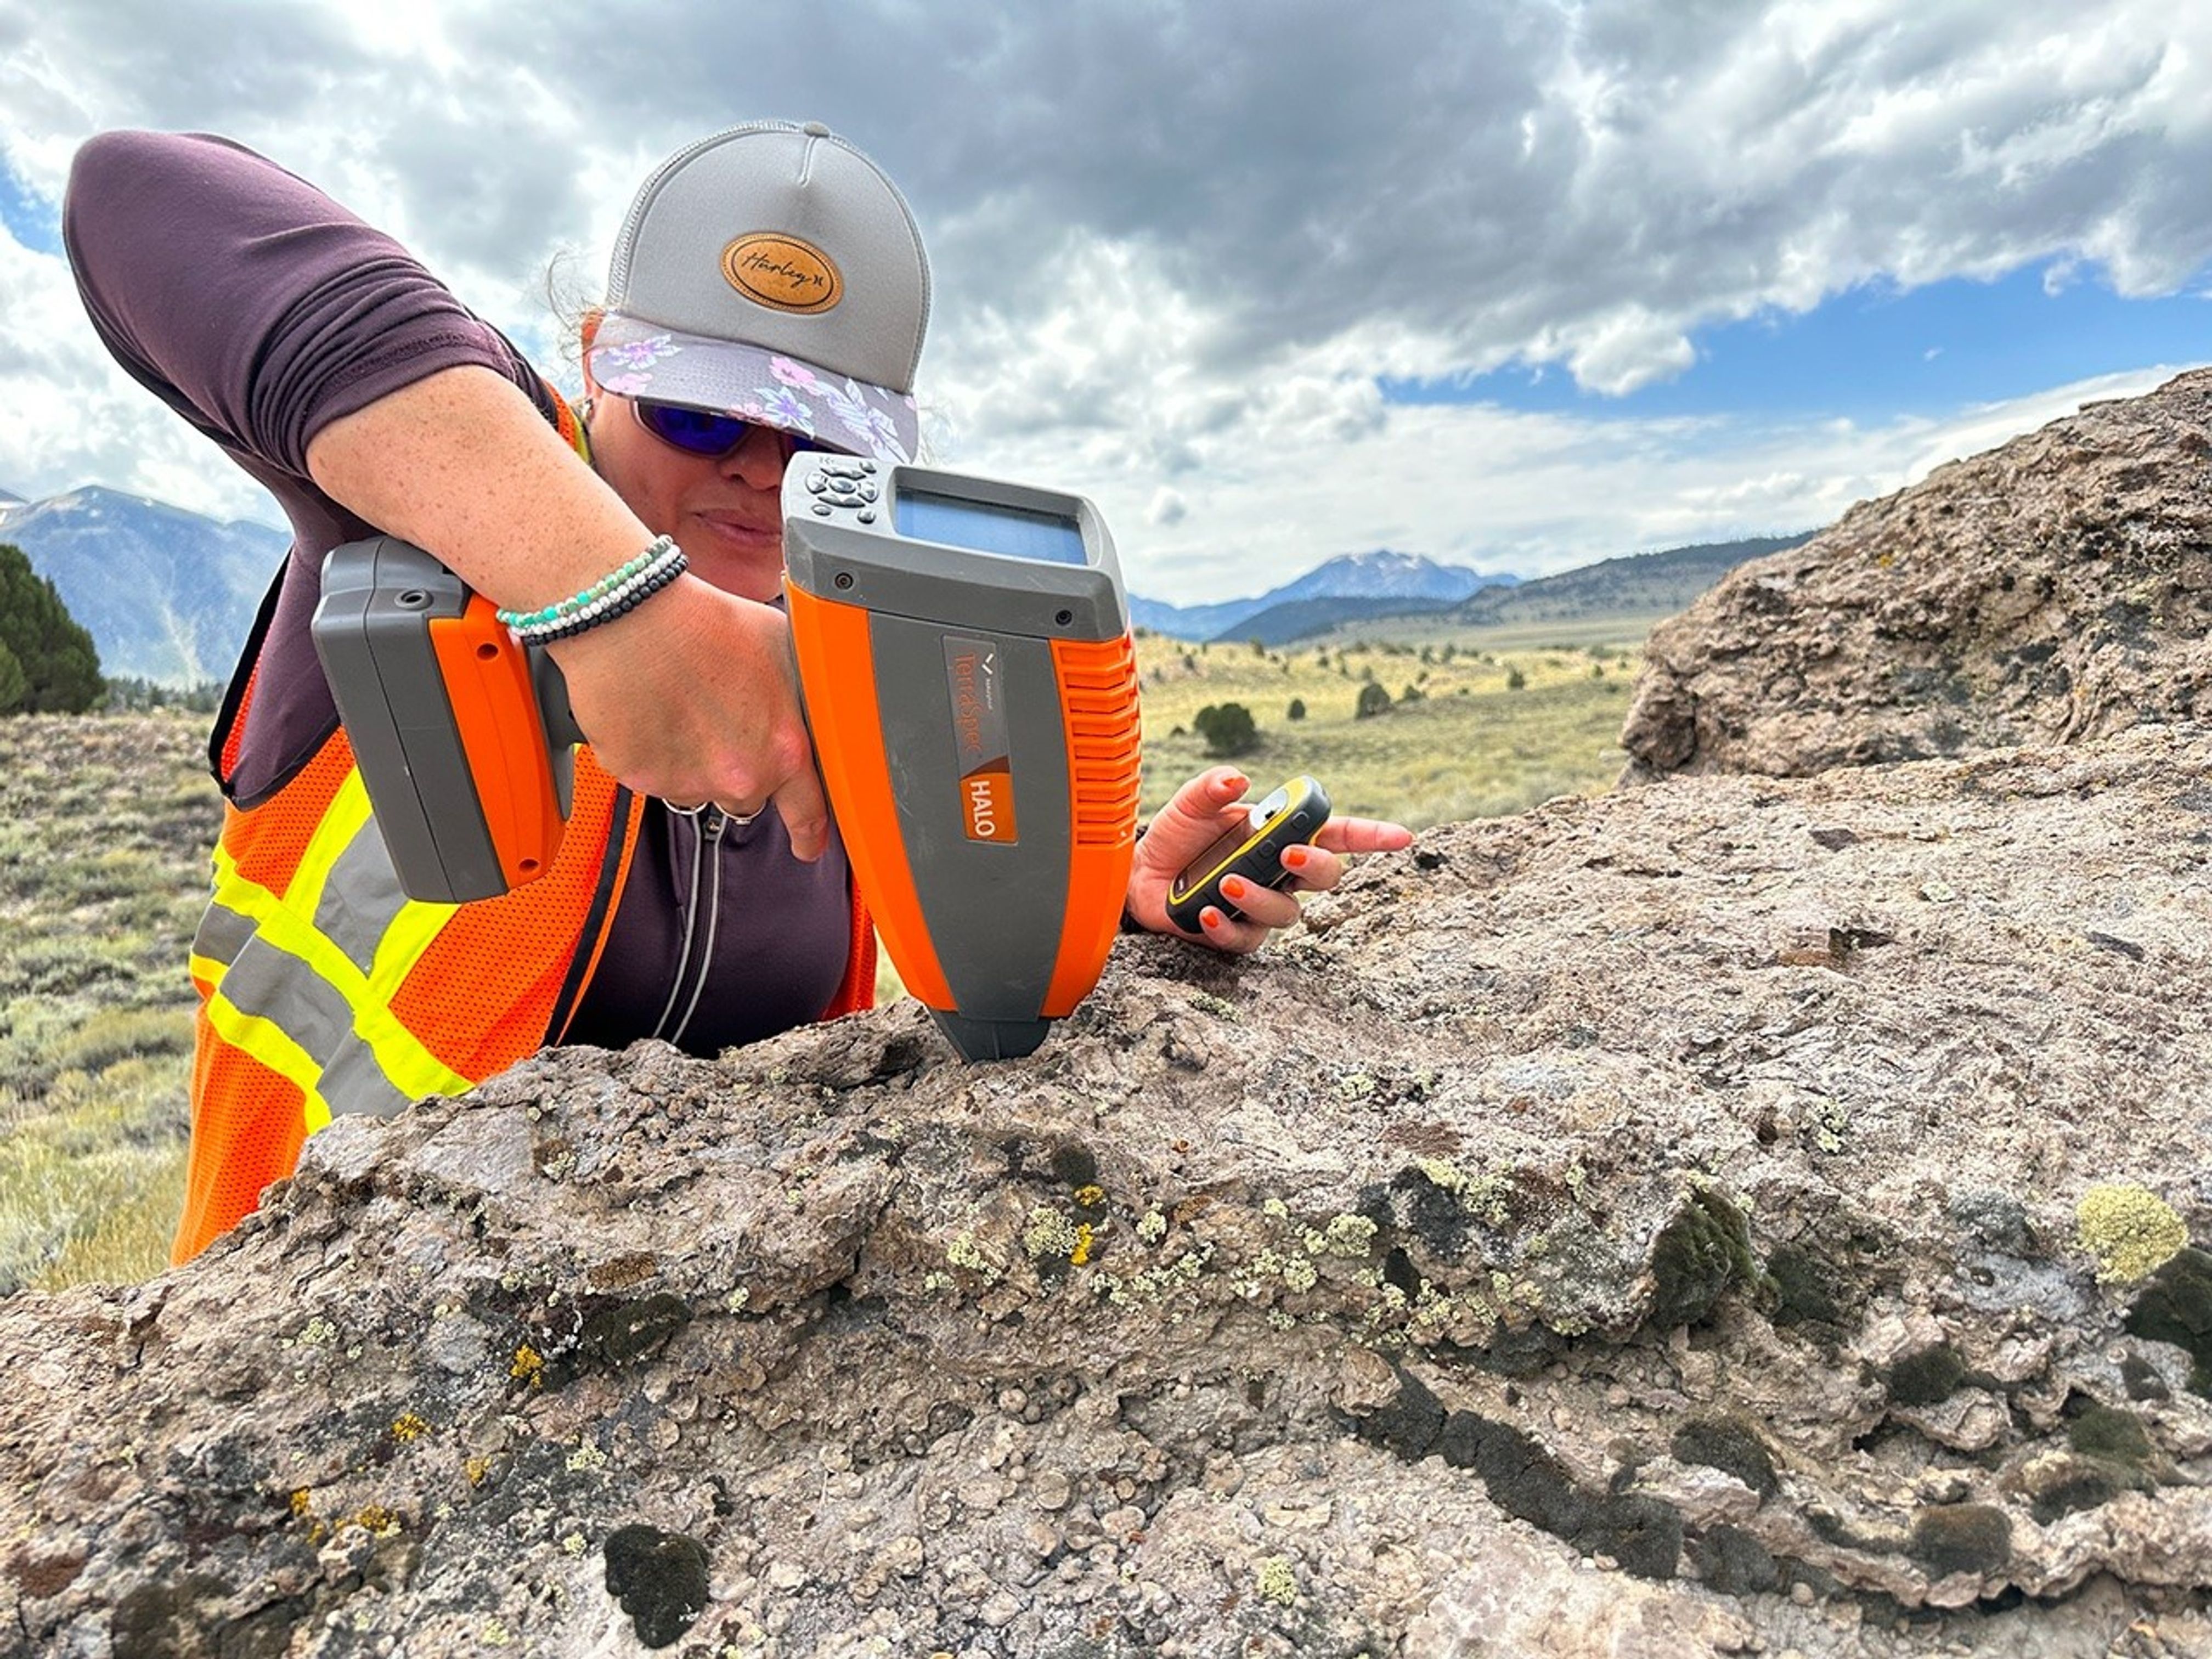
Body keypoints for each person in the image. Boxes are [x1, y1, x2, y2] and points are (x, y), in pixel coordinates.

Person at [64, 121, 1414, 1266]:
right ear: (597, 363)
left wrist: (1081, 903)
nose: (759, 475)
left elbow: (901, 988)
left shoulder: (873, 659)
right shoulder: (442, 495)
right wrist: (611, 601)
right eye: (700, 416)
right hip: (298, 1356)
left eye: (821, 441)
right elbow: (135, 192)